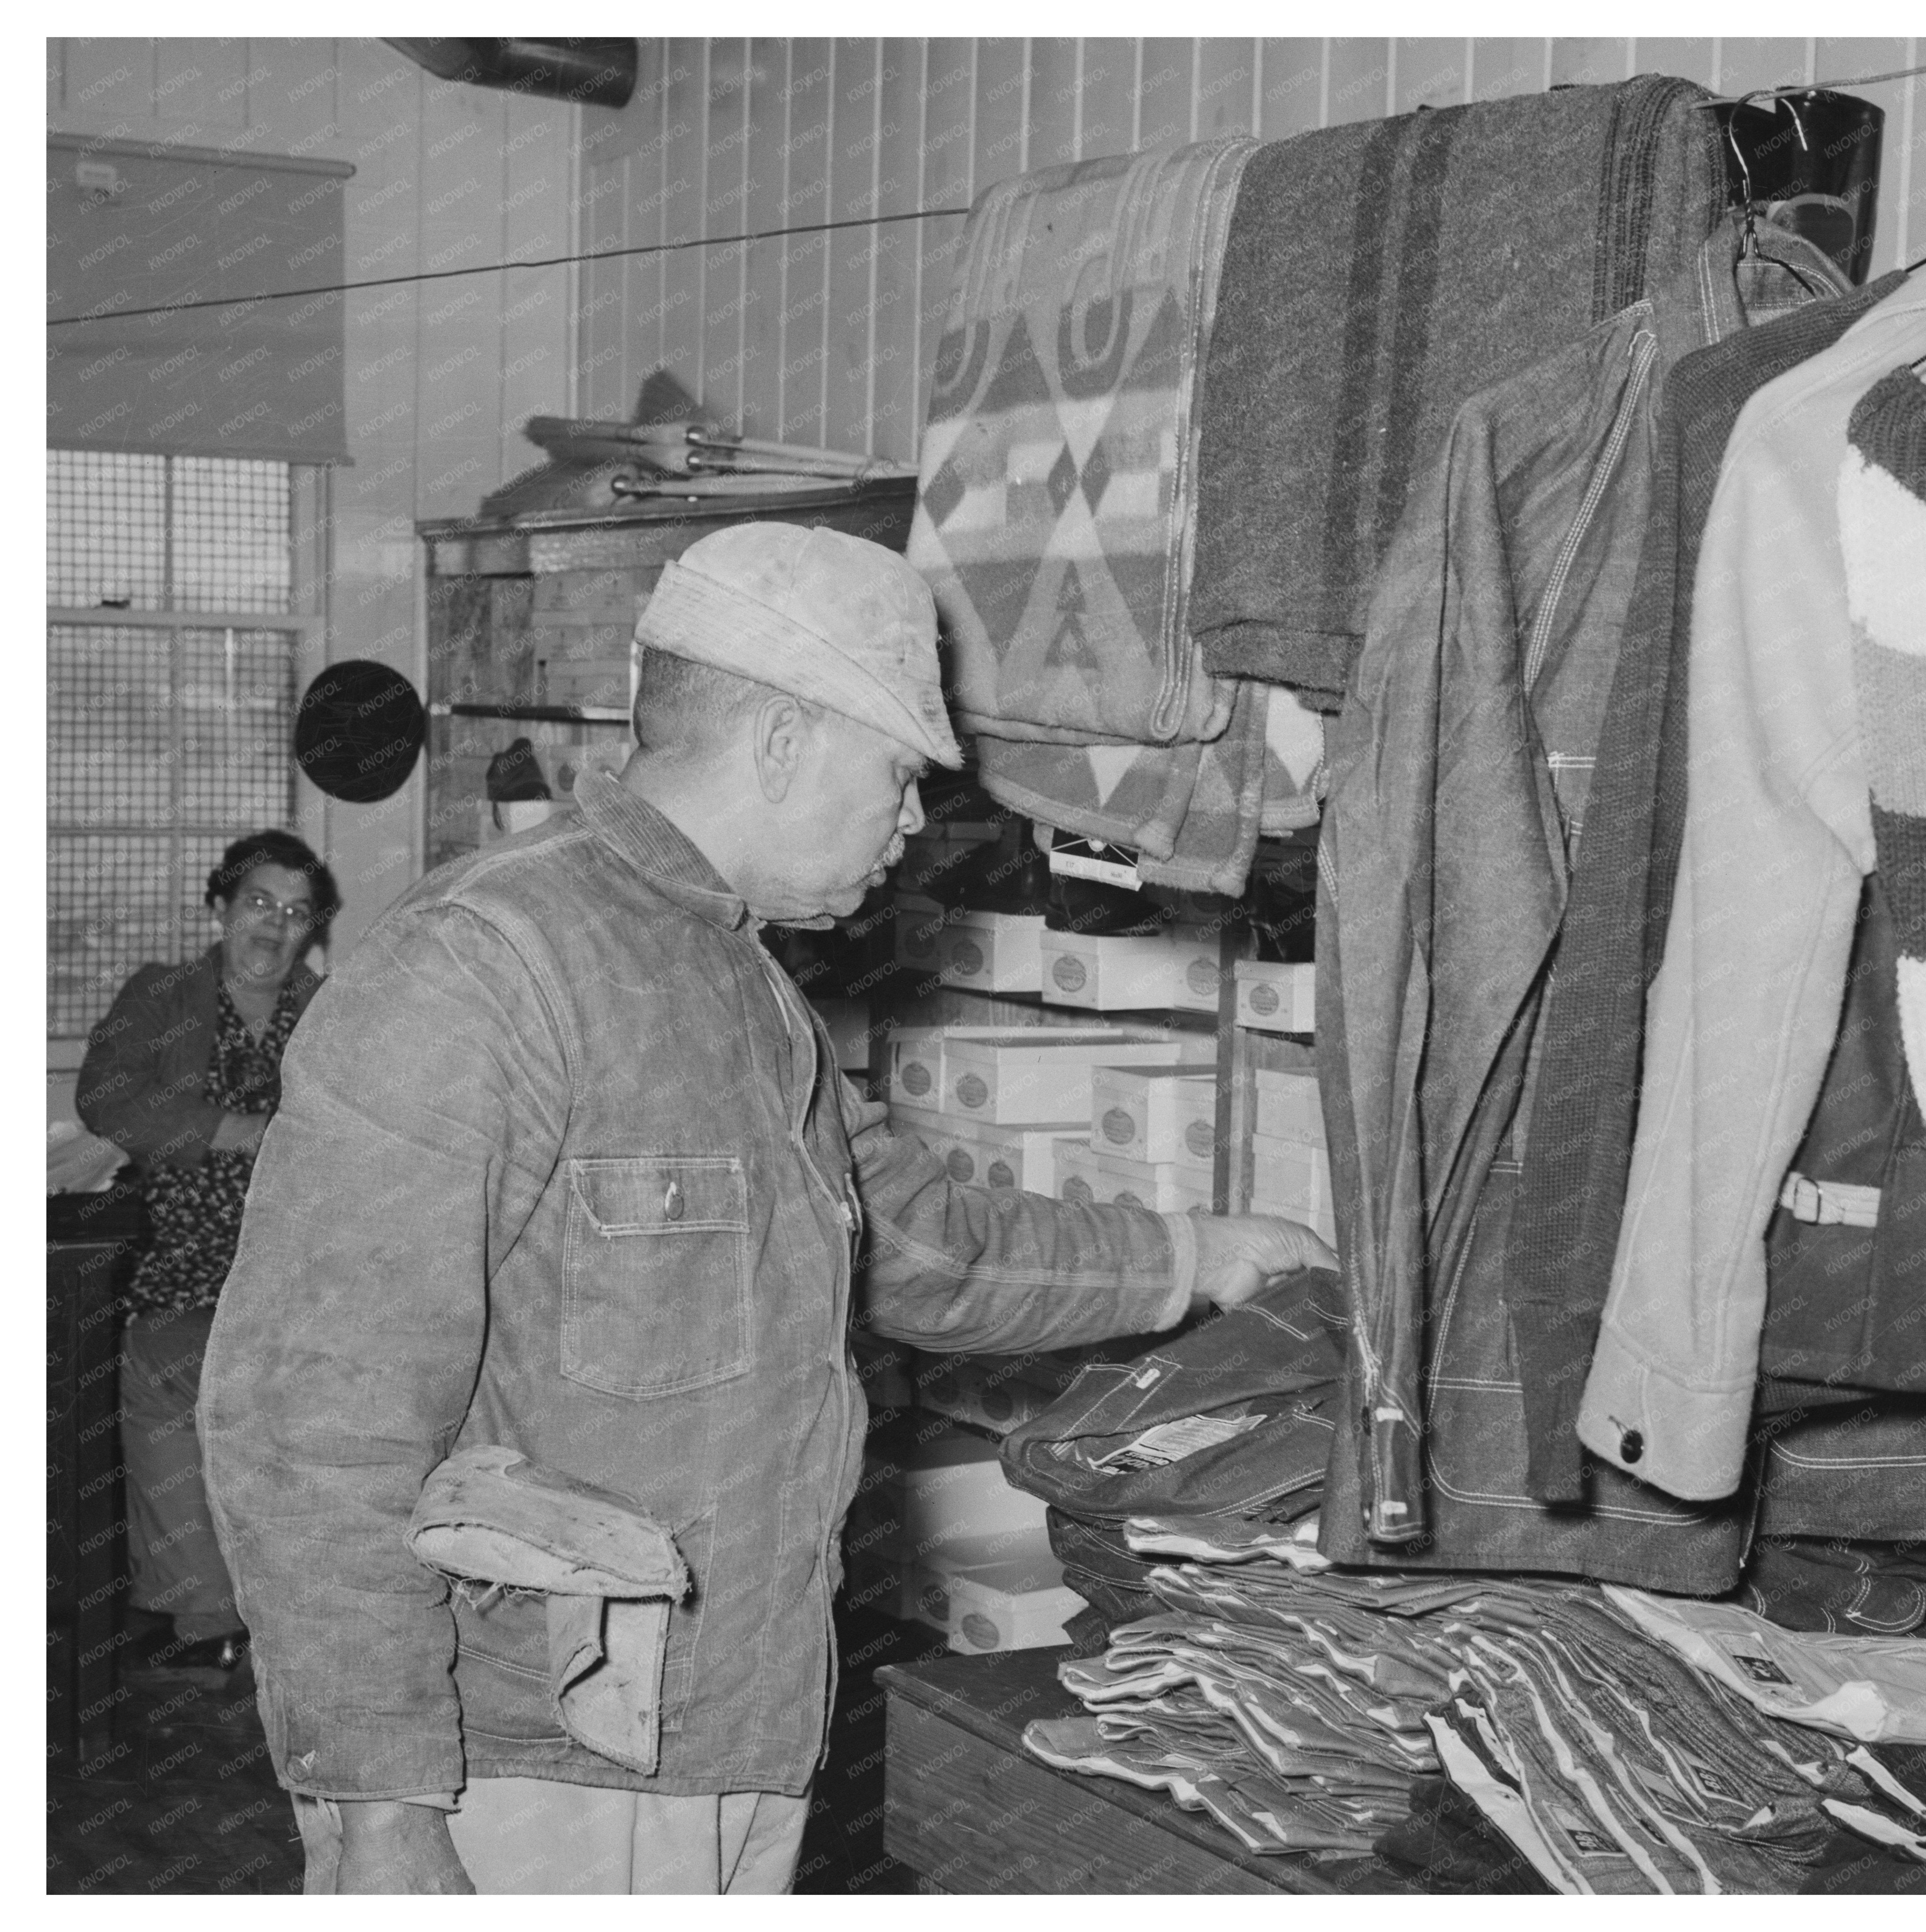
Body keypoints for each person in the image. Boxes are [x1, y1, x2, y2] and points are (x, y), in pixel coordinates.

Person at [196, 524, 1334, 1895]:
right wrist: (379, 1807)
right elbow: (311, 1416)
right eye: (901, 775)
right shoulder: (486, 965)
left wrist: (1196, 1256)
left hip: (734, 1729)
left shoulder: (743, 985)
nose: (912, 822)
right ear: (787, 740)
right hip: (523, 1765)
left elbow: (908, 1237)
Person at [75, 829, 340, 1680]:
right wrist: (238, 1131)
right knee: (165, 1365)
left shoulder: (329, 1012)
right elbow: (105, 1096)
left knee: (210, 1380)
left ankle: (264, 1613)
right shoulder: (164, 996)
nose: (274, 926)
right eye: (259, 902)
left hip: (297, 1265)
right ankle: (212, 1617)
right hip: (189, 1254)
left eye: (295, 913)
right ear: (220, 906)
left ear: (312, 930)